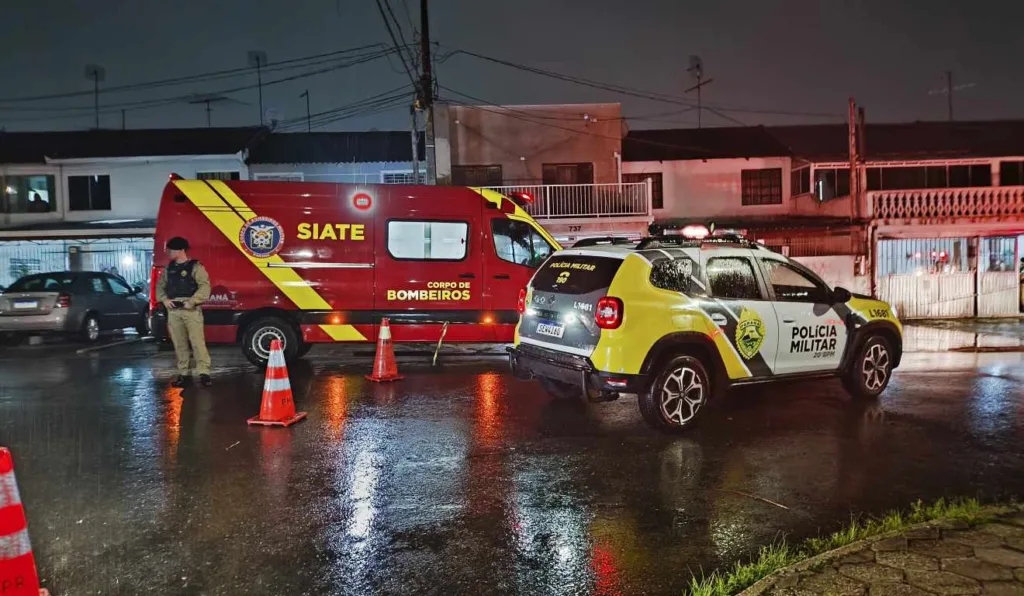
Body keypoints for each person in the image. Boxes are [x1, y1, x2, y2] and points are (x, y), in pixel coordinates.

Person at [155, 236, 212, 388]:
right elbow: (160, 287)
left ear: (181, 250)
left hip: (191, 309)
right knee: (179, 343)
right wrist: (165, 300)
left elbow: (204, 286)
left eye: (172, 250)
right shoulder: (169, 268)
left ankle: (204, 373)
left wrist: (192, 301)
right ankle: (184, 374)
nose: (169, 252)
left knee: (197, 342)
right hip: (174, 310)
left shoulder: (195, 267)